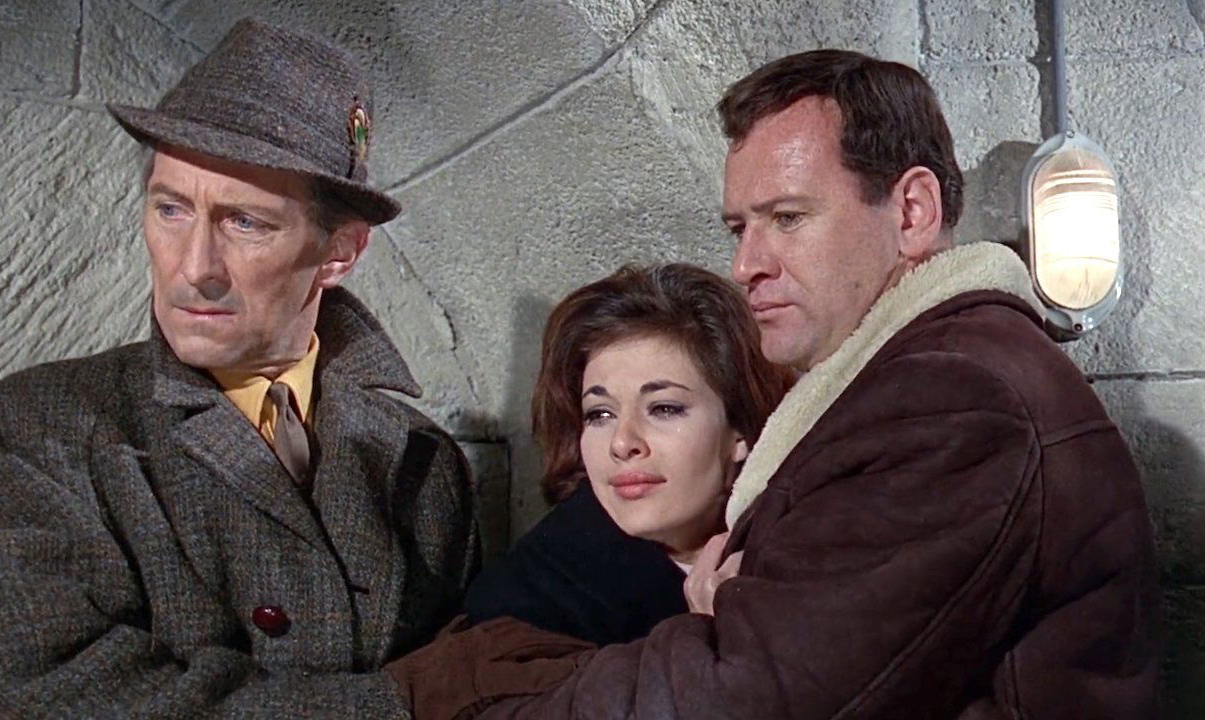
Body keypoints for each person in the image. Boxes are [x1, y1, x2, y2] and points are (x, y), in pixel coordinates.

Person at [392, 49, 1161, 720]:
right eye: (740, 228)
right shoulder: (933, 378)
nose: (746, 265)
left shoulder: (954, 397)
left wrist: (464, 699)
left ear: (912, 211)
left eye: (788, 218)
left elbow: (746, 697)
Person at [0, 19, 478, 718]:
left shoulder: (425, 466)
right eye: (171, 209)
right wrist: (385, 703)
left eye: (244, 222)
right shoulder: (38, 429)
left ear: (340, 252)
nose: (194, 268)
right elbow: (34, 700)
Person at [462, 264, 787, 647]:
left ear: (741, 430)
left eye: (663, 408)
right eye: (600, 414)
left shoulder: (806, 544)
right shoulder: (523, 611)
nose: (622, 442)